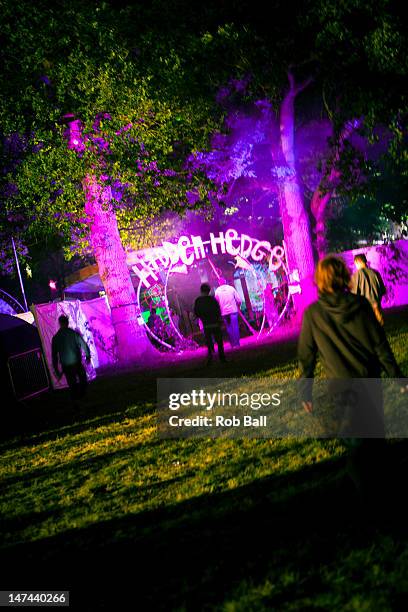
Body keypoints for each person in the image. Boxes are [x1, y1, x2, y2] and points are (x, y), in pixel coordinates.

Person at [298, 256, 404, 501]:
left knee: (357, 445)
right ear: (344, 277)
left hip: (340, 387)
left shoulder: (313, 314)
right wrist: (397, 377)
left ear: (320, 281)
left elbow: (306, 356)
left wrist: (305, 391)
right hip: (369, 381)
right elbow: (380, 345)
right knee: (374, 441)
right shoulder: (361, 305)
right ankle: (383, 494)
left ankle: (370, 496)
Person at [52, 314, 91, 405]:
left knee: (72, 384)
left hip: (66, 366)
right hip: (76, 363)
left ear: (60, 323)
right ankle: (81, 398)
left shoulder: (56, 337)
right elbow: (84, 345)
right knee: (83, 380)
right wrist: (88, 356)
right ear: (67, 322)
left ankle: (76, 401)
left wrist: (56, 369)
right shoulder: (73, 333)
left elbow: (54, 355)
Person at [350, 253, 386, 325]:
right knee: (379, 324)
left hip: (364, 307)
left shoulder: (355, 276)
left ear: (357, 262)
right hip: (376, 304)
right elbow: (382, 290)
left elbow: (354, 294)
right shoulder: (375, 272)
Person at [194, 283, 226, 365]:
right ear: (209, 291)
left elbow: (196, 312)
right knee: (219, 341)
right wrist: (219, 320)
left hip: (206, 325)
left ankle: (210, 358)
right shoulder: (213, 300)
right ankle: (222, 358)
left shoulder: (198, 301)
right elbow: (218, 310)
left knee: (209, 343)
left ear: (201, 291)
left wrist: (202, 318)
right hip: (215, 323)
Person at [215, 277, 242, 348]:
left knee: (229, 328)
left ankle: (233, 344)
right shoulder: (231, 288)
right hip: (233, 311)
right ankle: (237, 344)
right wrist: (238, 307)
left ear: (219, 283)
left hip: (224, 312)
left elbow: (216, 303)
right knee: (235, 327)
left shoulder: (217, 291)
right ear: (225, 281)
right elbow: (239, 300)